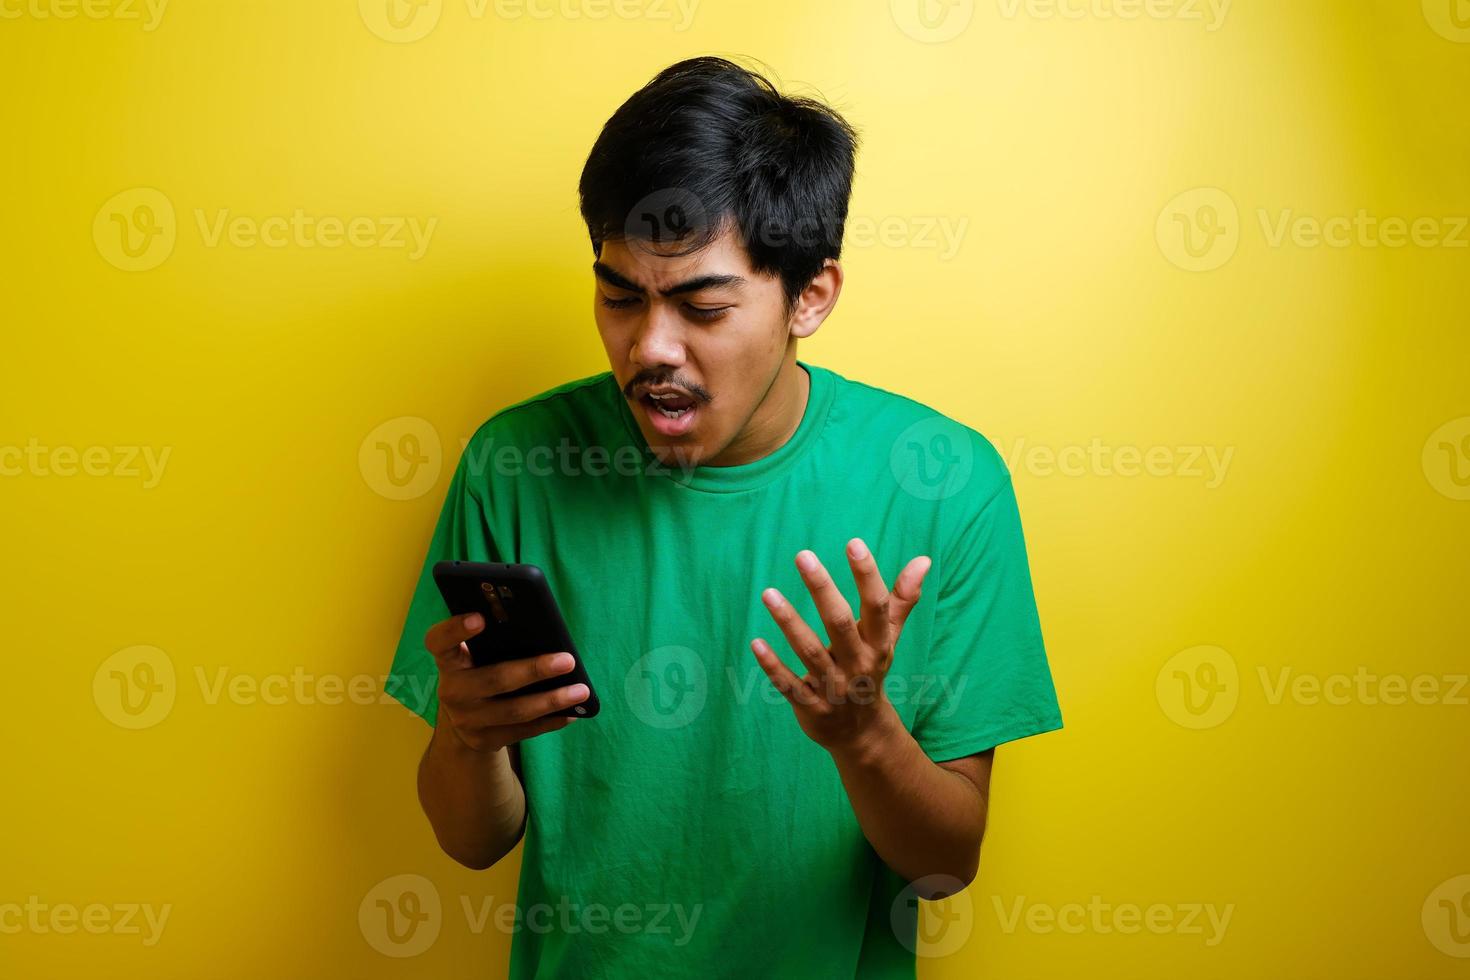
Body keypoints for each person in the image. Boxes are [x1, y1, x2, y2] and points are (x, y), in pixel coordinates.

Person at [386, 55, 1062, 978]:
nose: (649, 347)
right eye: (619, 296)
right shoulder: (516, 466)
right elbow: (475, 844)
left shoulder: (944, 483)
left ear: (809, 297)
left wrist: (864, 736)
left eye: (702, 305)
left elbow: (944, 870)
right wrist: (467, 738)